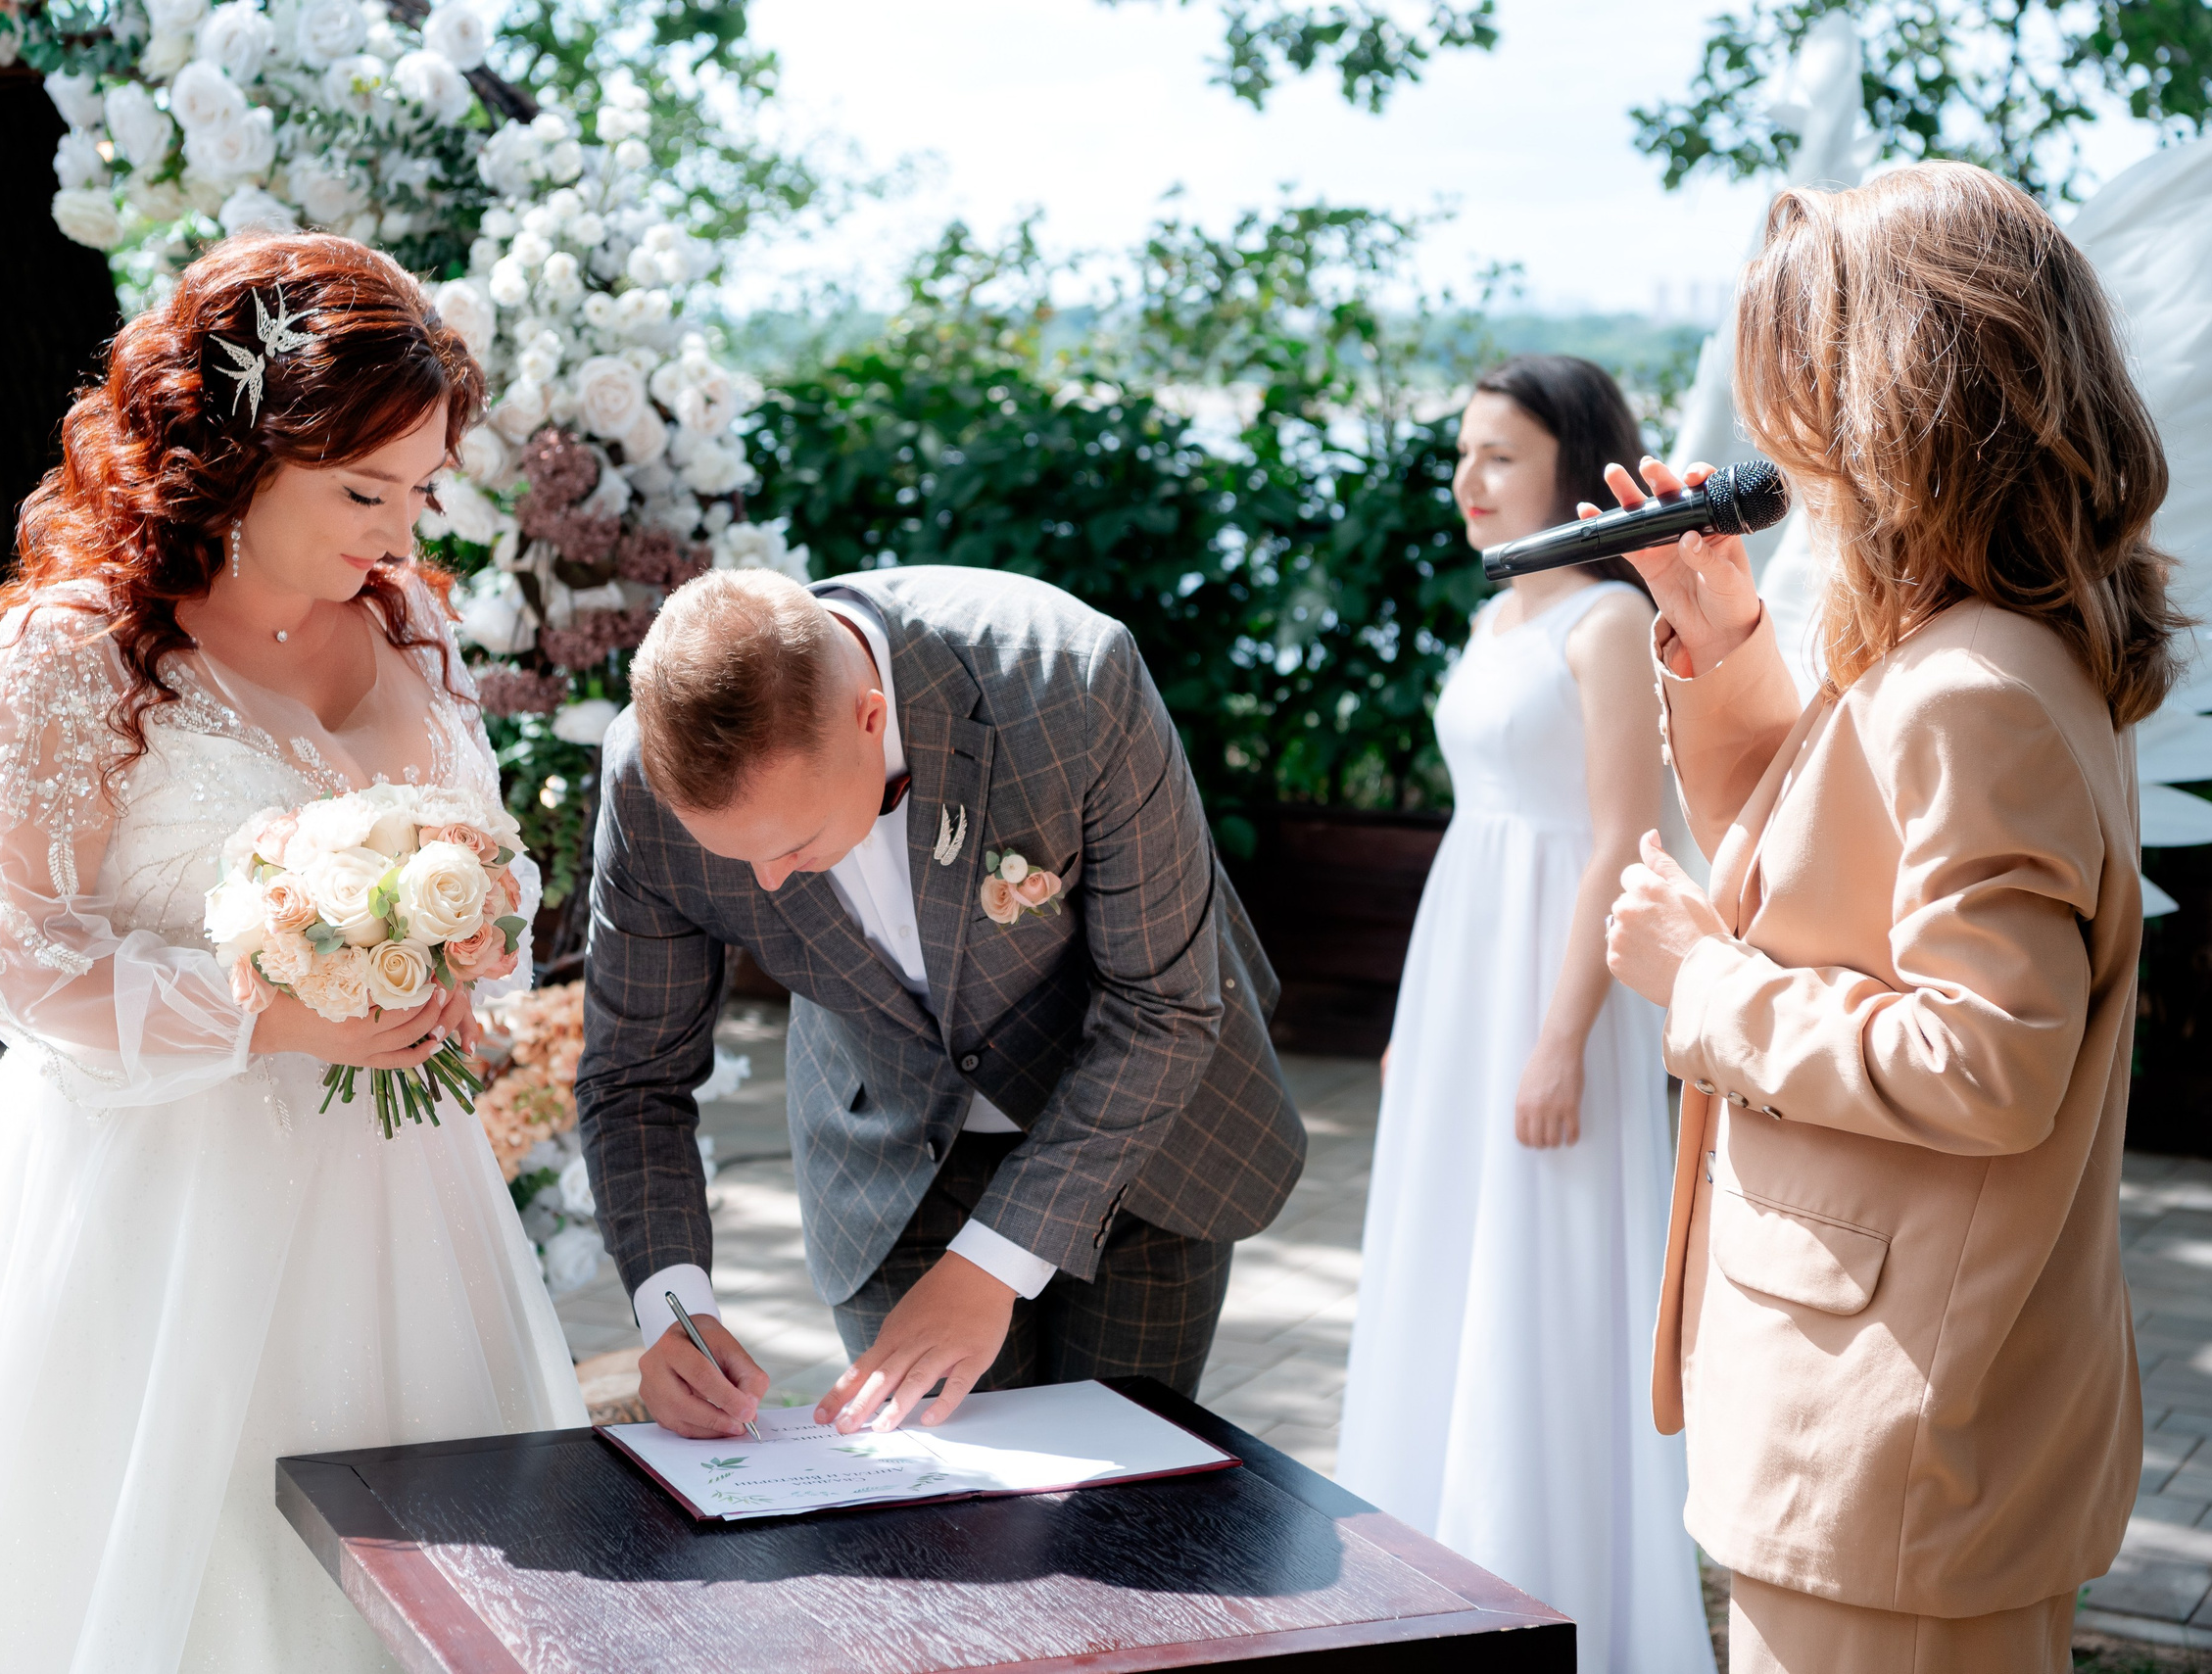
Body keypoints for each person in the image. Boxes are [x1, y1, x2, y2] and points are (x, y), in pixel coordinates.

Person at [0, 234, 583, 1673]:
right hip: (155, 1206)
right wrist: (263, 1013)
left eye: (423, 487)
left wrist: (457, 943)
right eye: (362, 490)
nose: (399, 530)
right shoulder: (77, 653)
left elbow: (481, 870)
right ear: (241, 451)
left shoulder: (408, 620)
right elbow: (12, 953)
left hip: (402, 1207)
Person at [1604, 161, 2175, 1674]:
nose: (1780, 439)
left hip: (1903, 1423)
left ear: (1894, 394)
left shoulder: (1973, 683)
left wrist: (1701, 987)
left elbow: (1988, 1063)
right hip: (1889, 1409)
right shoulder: (1978, 647)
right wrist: (1722, 636)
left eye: (1801, 387)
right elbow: (1821, 880)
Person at [577, 564, 1304, 1438]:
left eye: (794, 841)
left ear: (870, 715)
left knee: (1120, 1500)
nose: (766, 881)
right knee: (947, 1531)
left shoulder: (1071, 680)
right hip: (890, 1153)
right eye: (735, 858)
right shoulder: (639, 784)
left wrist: (990, 1264)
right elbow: (633, 1077)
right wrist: (672, 1311)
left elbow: (1164, 1008)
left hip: (1142, 1137)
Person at [1332, 356, 1718, 1674]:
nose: (1468, 483)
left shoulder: (1608, 619)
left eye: (1498, 455)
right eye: (1461, 455)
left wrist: (1562, 1034)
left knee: (1543, 1270)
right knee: (1451, 1254)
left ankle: (1559, 1593)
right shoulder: (1504, 613)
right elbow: (1480, 818)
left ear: (1571, 458)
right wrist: (1416, 1022)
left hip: (1565, 972)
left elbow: (1624, 833)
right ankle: (1431, 1574)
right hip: (1467, 967)